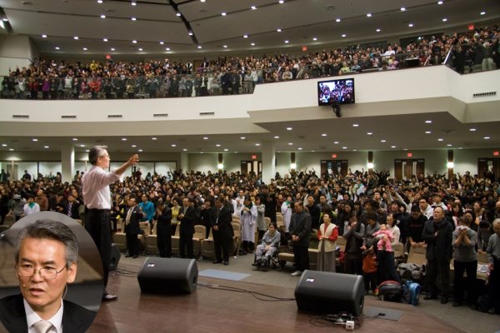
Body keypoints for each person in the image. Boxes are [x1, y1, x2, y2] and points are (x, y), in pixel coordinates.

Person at [0, 219, 96, 333]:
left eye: (49, 268)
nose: (36, 278)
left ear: (70, 272)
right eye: (27, 266)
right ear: (16, 268)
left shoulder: (89, 321)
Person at [82, 145, 139, 302]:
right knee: (102, 253)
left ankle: (91, 287)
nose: (109, 158)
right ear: (99, 159)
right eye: (106, 156)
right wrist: (127, 164)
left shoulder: (87, 174)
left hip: (91, 215)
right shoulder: (97, 173)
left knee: (94, 253)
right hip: (100, 216)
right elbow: (111, 177)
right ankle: (100, 291)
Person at [422, 206, 453, 304]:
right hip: (431, 252)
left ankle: (444, 295)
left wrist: (449, 255)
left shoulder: (448, 225)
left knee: (444, 276)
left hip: (443, 253)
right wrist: (433, 236)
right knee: (431, 275)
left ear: (443, 214)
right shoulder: (428, 224)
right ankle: (432, 293)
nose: (436, 214)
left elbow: (449, 241)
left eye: (438, 212)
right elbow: (424, 236)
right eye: (435, 212)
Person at [452, 216, 477, 308]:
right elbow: (455, 245)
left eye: (464, 225)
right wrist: (460, 236)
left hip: (471, 259)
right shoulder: (455, 232)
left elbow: (471, 245)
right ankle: (457, 299)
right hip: (459, 259)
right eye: (460, 225)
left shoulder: (473, 233)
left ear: (468, 225)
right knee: (458, 279)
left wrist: (465, 235)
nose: (462, 227)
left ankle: (472, 301)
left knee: (472, 280)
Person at [289, 201, 312, 277]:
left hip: (303, 239)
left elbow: (306, 229)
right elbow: (290, 227)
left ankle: (305, 271)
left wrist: (299, 236)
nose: (295, 208)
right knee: (297, 256)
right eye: (294, 207)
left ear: (301, 206)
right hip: (294, 238)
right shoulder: (293, 215)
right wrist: (292, 235)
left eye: (297, 206)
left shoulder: (307, 216)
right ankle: (298, 269)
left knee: (304, 256)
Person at [212, 196, 233, 265]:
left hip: (224, 229)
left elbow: (227, 220)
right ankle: (218, 258)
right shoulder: (214, 210)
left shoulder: (226, 210)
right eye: (216, 203)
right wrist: (213, 225)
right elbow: (211, 219)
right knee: (217, 244)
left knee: (224, 245)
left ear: (222, 203)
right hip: (215, 229)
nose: (217, 204)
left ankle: (226, 259)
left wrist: (219, 226)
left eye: (218, 203)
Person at [485, 219, 500, 314]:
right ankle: (493, 306)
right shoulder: (493, 237)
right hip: (496, 262)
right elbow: (489, 251)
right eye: (495, 228)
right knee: (493, 286)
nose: (497, 230)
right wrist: (491, 262)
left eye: (498, 229)